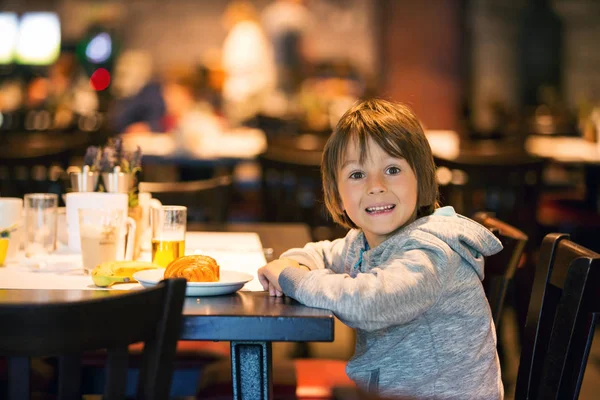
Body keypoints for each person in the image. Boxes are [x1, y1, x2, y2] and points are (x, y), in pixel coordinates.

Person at [258, 98, 504, 399]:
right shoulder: (365, 242)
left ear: (422, 177)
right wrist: (294, 262)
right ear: (336, 194)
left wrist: (291, 278)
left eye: (392, 169)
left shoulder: (431, 252)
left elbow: (370, 303)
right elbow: (324, 253)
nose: (375, 186)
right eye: (357, 175)